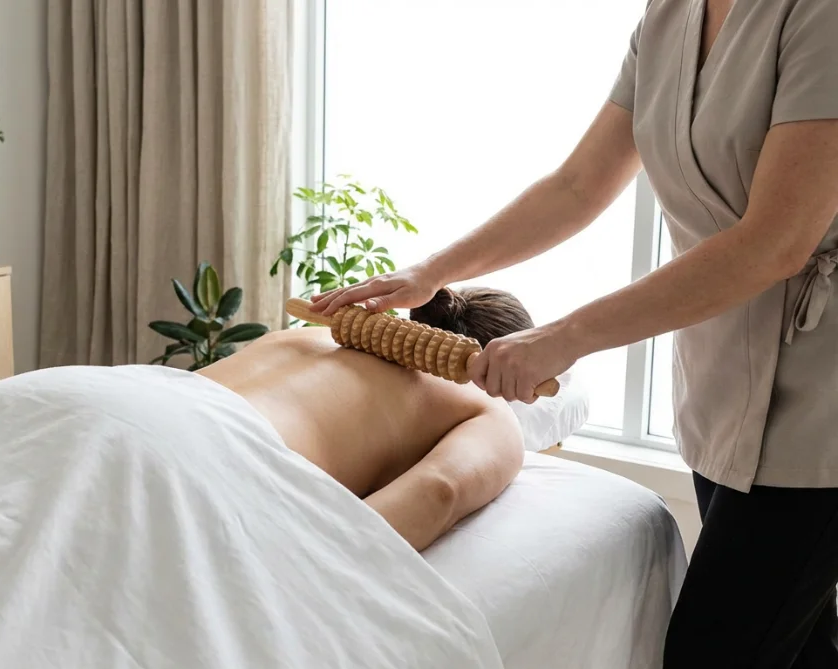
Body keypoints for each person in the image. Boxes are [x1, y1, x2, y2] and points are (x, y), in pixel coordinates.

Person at [311, 0, 838, 666]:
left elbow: (775, 242)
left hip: (820, 403)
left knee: (717, 646)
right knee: (801, 646)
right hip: (721, 377)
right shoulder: (671, 15)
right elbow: (577, 185)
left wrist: (565, 337)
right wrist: (430, 269)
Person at [201, 286, 531, 551]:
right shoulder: (488, 406)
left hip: (162, 392)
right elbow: (437, 493)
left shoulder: (309, 334)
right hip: (230, 464)